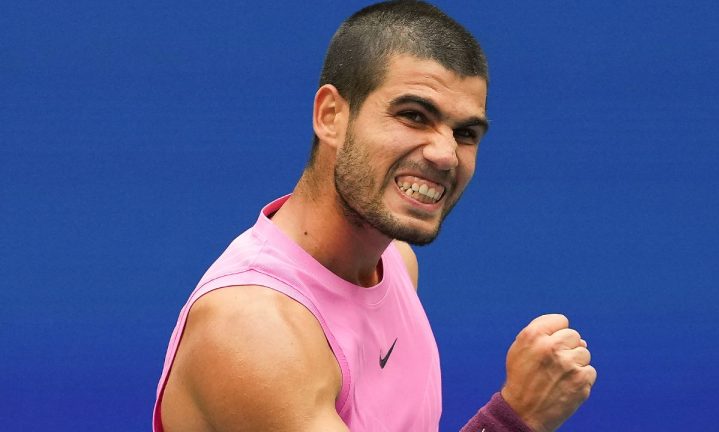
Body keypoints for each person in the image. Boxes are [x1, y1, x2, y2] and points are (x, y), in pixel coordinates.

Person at [153, 1, 596, 431]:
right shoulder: (252, 328)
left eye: (465, 133)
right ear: (331, 116)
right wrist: (516, 418)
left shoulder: (396, 263)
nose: (445, 155)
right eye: (414, 116)